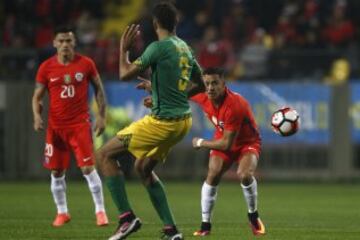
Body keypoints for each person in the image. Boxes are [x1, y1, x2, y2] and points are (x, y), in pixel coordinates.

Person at [96, 2, 202, 240]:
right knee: (142, 168)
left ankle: (126, 218)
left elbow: (124, 74)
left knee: (104, 155)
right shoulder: (185, 48)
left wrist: (123, 49)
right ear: (175, 23)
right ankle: (171, 230)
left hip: (162, 122)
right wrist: (158, 95)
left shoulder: (158, 47)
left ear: (155, 24)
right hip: (182, 122)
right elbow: (201, 84)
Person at [32, 26, 109, 227]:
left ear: (74, 43)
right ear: (54, 44)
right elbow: (37, 97)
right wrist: (37, 116)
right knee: (56, 172)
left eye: (68, 41)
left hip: (79, 125)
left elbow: (99, 90)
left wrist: (102, 116)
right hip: (55, 128)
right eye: (61, 41)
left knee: (87, 168)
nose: (65, 44)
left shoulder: (86, 64)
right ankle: (62, 212)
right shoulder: (46, 68)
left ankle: (100, 211)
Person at [190, 68, 266, 237]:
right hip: (224, 138)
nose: (210, 87)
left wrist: (201, 142)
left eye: (215, 83)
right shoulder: (203, 96)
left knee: (244, 174)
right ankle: (205, 226)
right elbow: (176, 94)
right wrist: (155, 92)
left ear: (224, 84)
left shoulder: (235, 105)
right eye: (207, 83)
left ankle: (253, 216)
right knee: (213, 173)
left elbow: (226, 144)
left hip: (247, 142)